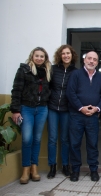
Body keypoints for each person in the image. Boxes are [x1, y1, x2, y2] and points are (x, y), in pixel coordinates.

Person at [10, 47, 51, 184]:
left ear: (45, 58)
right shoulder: (24, 70)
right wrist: (16, 110)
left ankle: (34, 168)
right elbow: (16, 90)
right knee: (27, 139)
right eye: (37, 56)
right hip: (26, 108)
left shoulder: (47, 72)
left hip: (42, 109)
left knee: (37, 139)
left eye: (42, 56)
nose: (39, 58)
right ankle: (25, 169)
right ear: (32, 56)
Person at [66, 51, 101, 182]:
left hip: (93, 117)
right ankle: (75, 170)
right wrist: (81, 108)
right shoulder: (75, 74)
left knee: (92, 144)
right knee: (75, 143)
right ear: (84, 60)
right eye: (89, 58)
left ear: (97, 62)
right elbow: (70, 92)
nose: (92, 61)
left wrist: (97, 108)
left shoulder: (100, 77)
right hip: (76, 115)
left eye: (95, 59)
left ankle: (93, 170)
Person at [47, 45, 78, 179]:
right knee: (52, 139)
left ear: (72, 55)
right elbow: (47, 87)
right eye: (63, 53)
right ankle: (52, 166)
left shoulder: (75, 72)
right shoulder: (53, 69)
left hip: (67, 110)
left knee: (65, 139)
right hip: (52, 109)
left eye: (68, 53)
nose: (66, 56)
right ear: (60, 55)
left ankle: (65, 165)